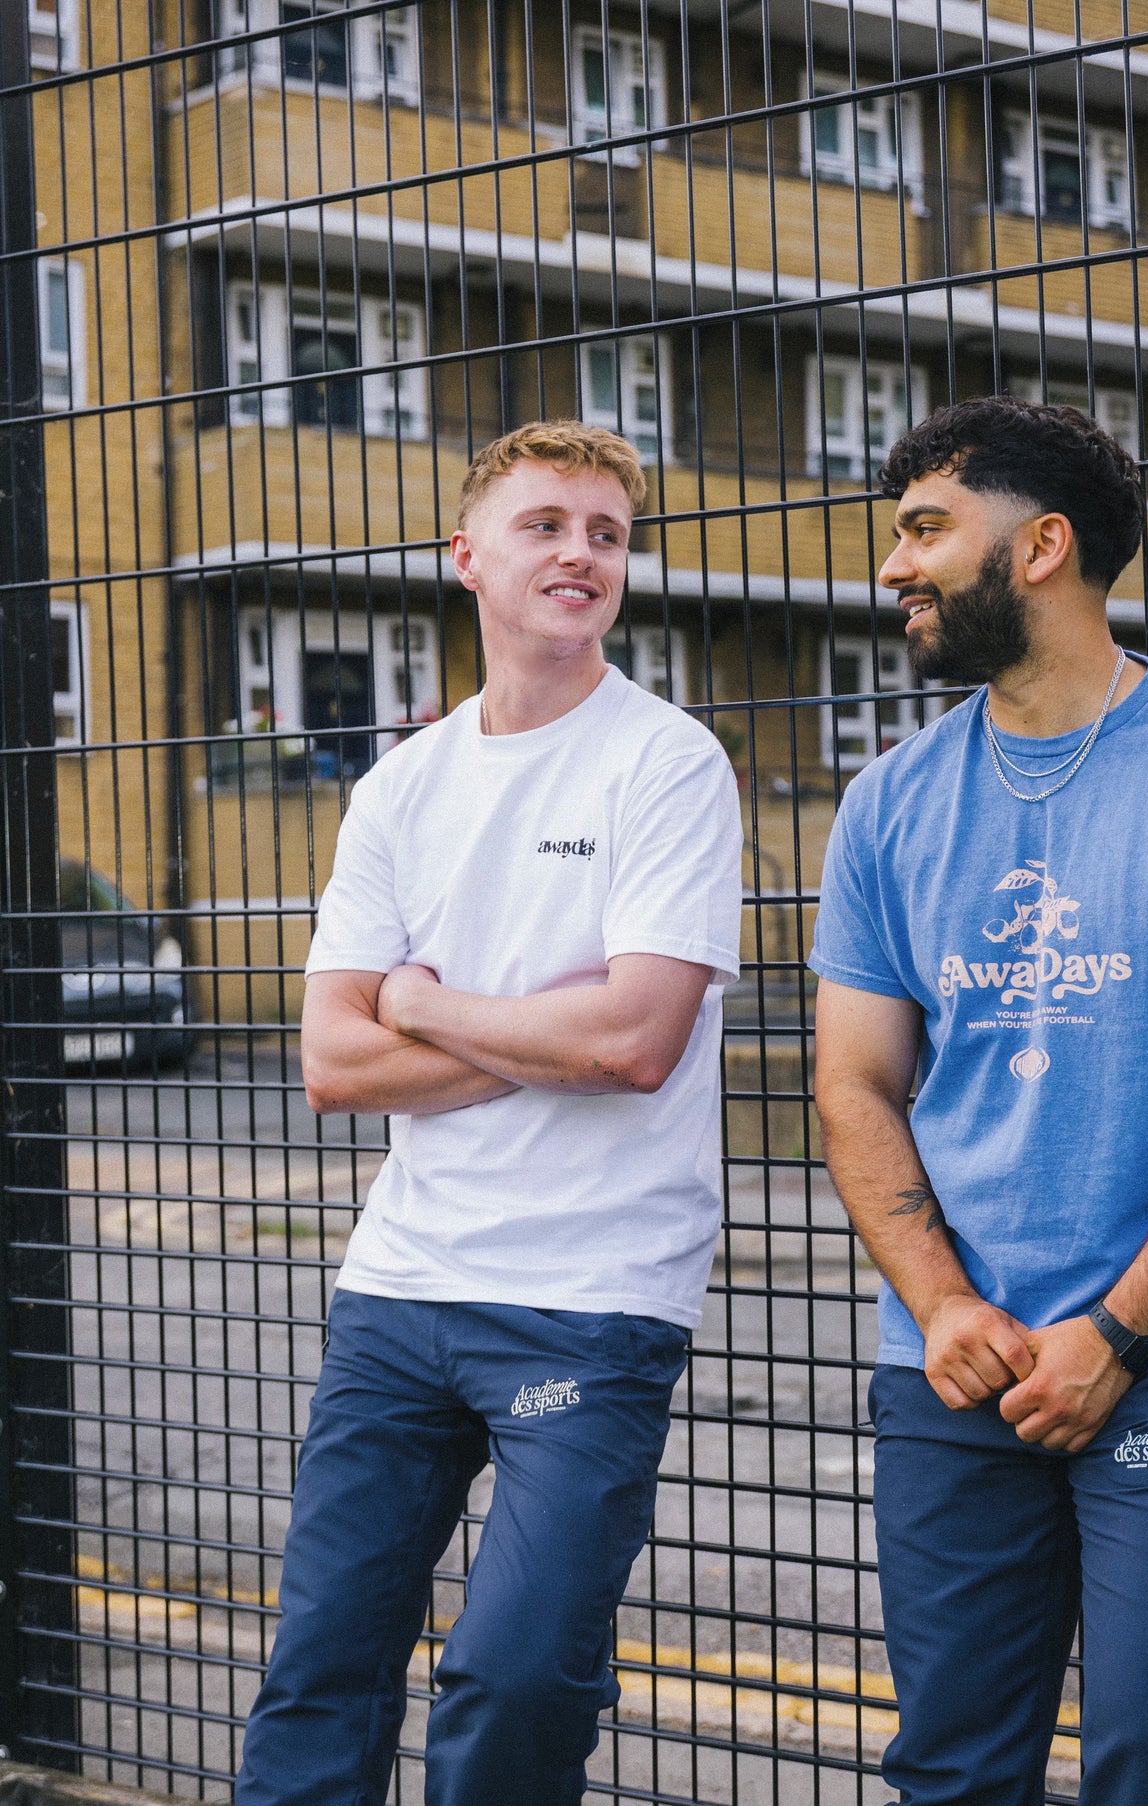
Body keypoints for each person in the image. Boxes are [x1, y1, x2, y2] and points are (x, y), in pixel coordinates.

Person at [809, 396, 1148, 1806]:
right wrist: (942, 1306)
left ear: (1043, 545)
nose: (895, 566)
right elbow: (853, 1082)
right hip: (959, 1354)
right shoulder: (887, 805)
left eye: (926, 528)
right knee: (950, 1761)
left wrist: (1118, 1334)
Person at [234, 421, 742, 1806]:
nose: (580, 551)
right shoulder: (404, 783)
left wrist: (430, 1005)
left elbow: (635, 1041)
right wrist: (538, 1029)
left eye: (607, 532)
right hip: (400, 1285)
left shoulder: (667, 764)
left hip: (594, 1293)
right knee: (322, 1666)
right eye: (545, 524)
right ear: (466, 556)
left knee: (516, 1677)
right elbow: (332, 1060)